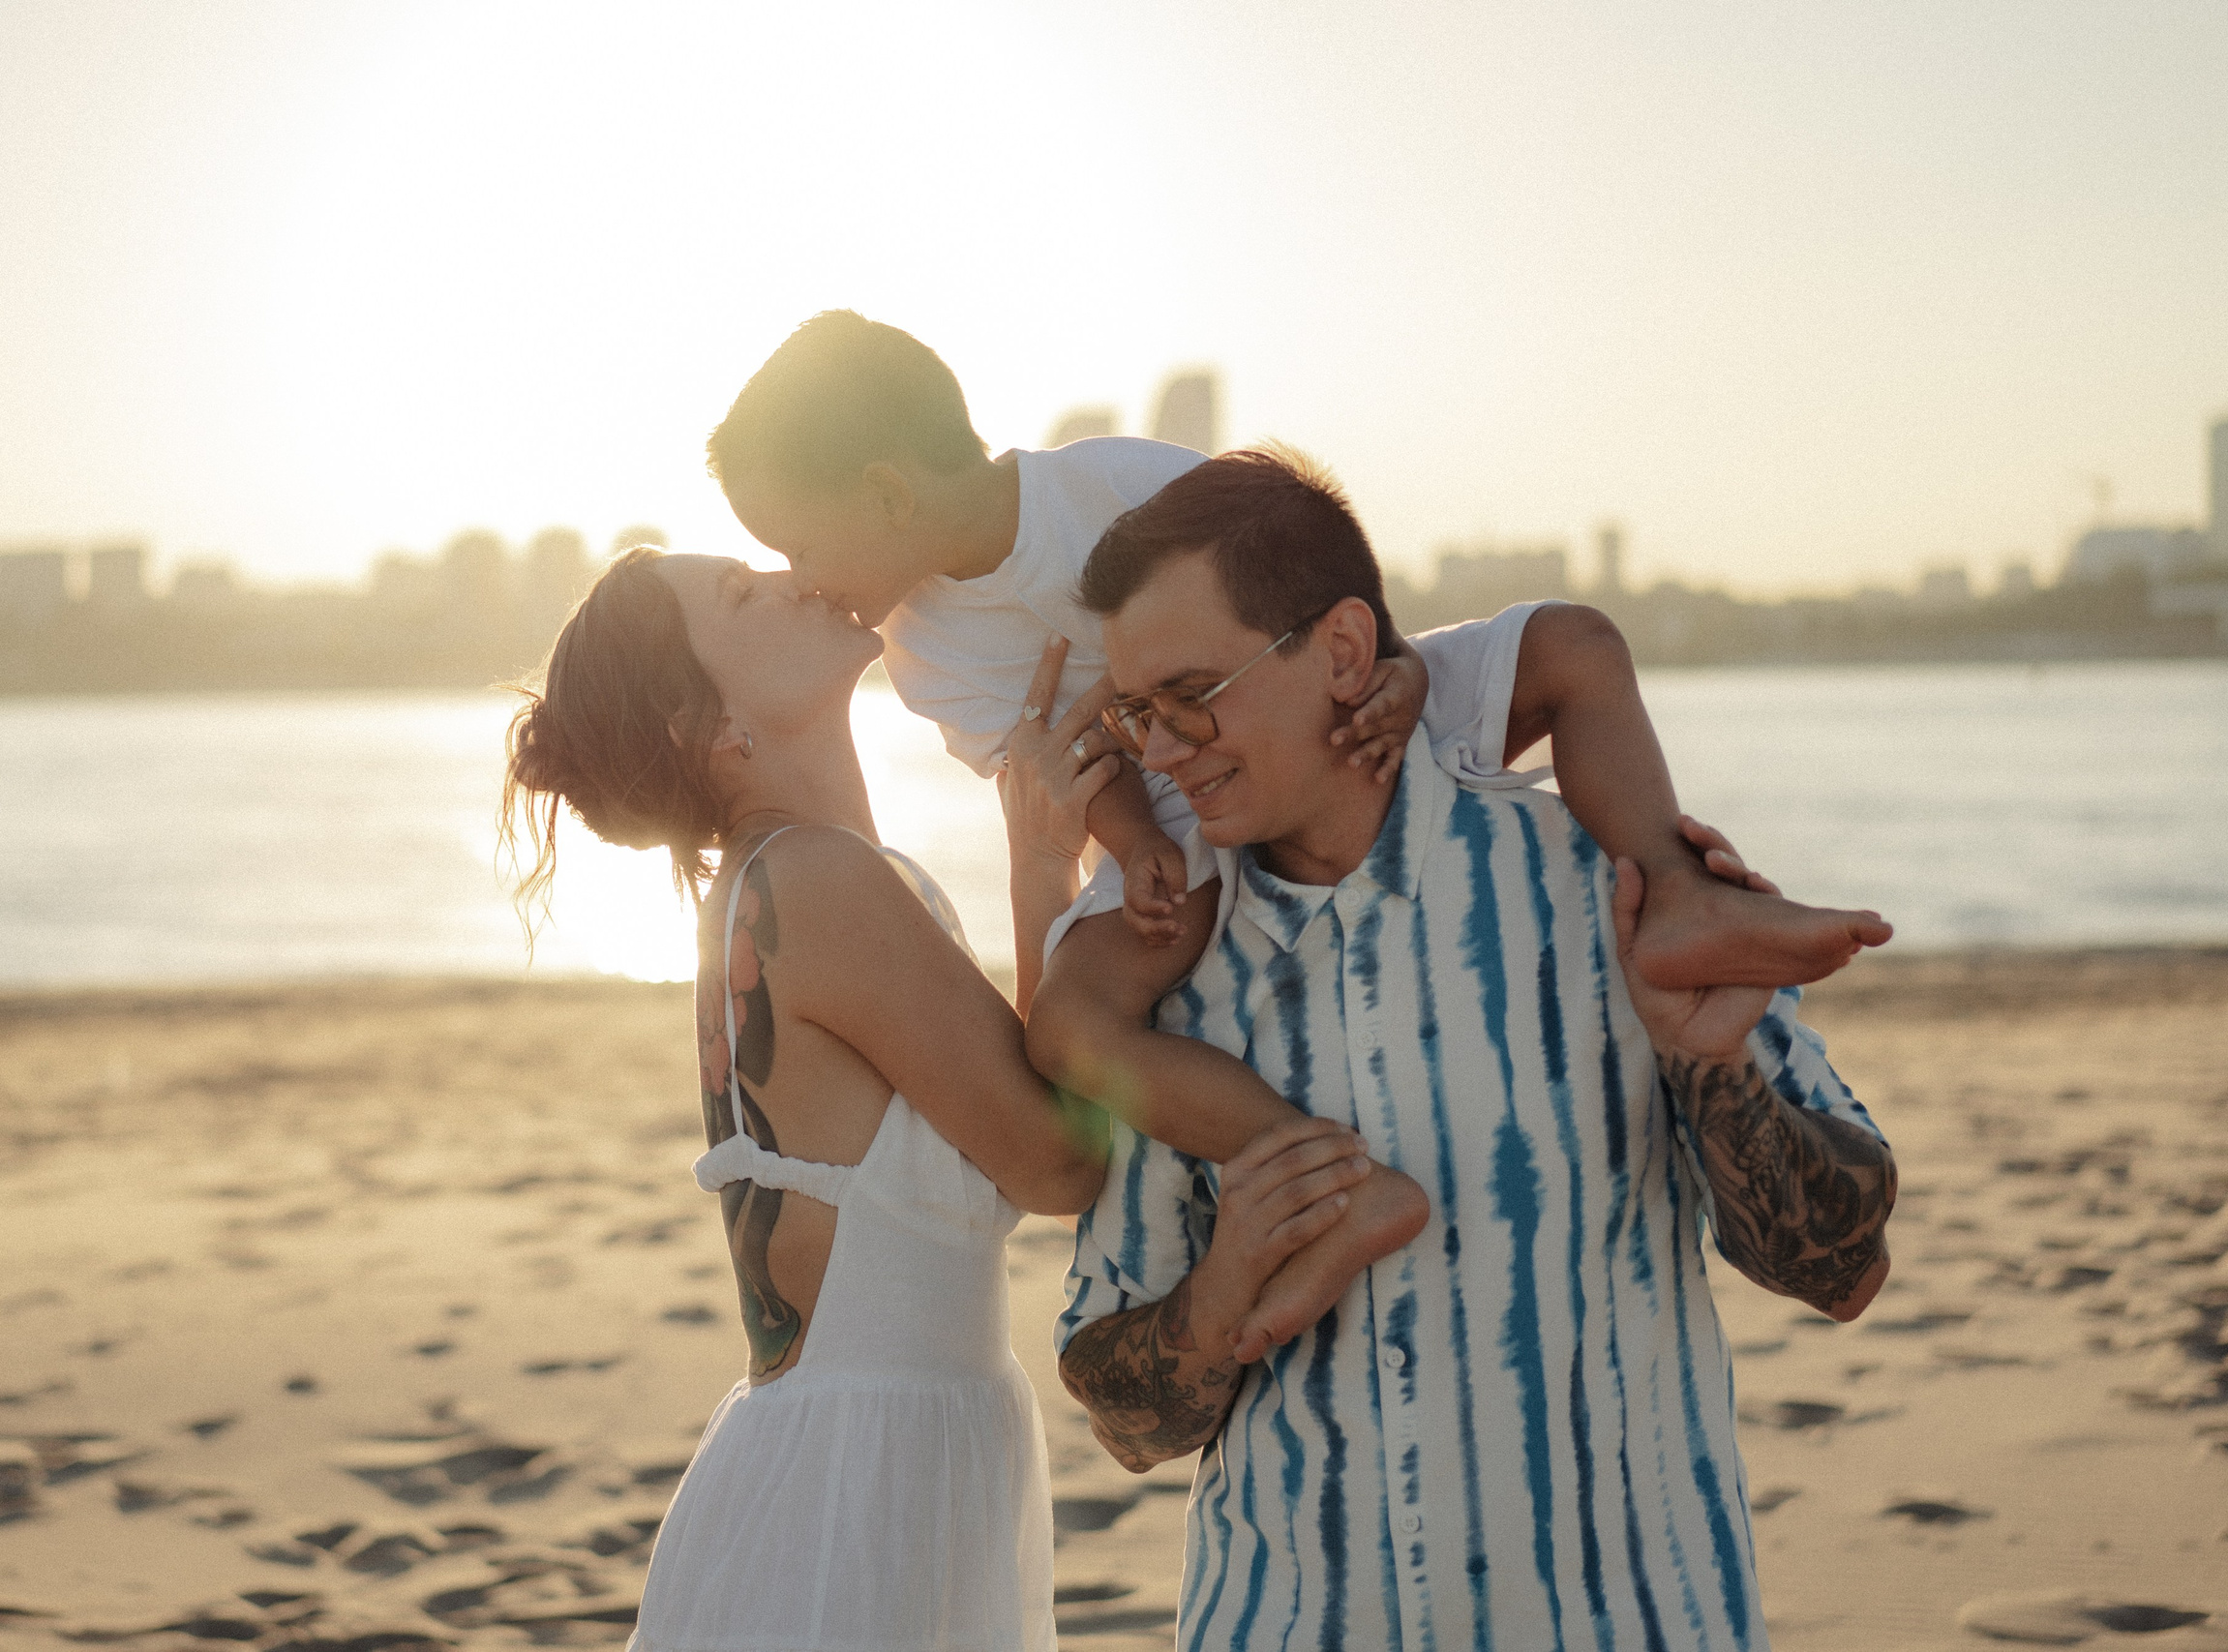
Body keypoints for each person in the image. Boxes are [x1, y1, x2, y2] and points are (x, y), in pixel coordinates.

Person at [707, 311, 1892, 1362]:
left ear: (887, 494)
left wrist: (1395, 670)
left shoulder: (1120, 482)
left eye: (797, 545)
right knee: (1068, 1026)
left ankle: (1677, 896)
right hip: (1169, 821)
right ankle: (1316, 1167)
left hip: (1334, 711)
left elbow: (1299, 572)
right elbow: (1049, 763)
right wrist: (1134, 839)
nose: (797, 578)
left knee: (1574, 646)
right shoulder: (924, 652)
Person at [1051, 449, 1900, 1651]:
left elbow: (1843, 1274)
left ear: (1344, 651)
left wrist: (1716, 1075)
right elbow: (1125, 1423)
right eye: (1136, 713)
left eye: (1192, 694)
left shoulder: (1613, 891)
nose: (1162, 751)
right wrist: (1222, 1288)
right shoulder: (1161, 987)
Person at [499, 547, 1114, 1652]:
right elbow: (1058, 1160)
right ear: (713, 729)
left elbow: (1016, 1112)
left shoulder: (797, 876)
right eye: (742, 595)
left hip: (855, 1463)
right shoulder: (818, 882)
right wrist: (1039, 866)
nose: (789, 577)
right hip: (860, 1491)